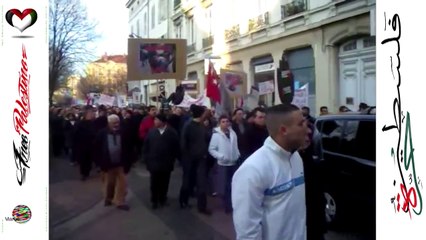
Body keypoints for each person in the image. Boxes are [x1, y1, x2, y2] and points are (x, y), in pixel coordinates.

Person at [232, 104, 310, 240]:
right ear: (284, 130)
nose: (307, 130)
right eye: (301, 124)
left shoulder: (296, 158)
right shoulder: (253, 169)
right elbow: (247, 231)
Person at [93, 114, 134, 211]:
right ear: (109, 123)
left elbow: (129, 147)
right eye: (114, 123)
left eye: (117, 122)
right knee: (109, 183)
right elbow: (96, 148)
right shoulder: (102, 133)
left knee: (122, 184)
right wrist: (99, 163)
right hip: (108, 164)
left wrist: (129, 161)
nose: (116, 124)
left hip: (121, 164)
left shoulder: (123, 132)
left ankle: (119, 201)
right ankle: (108, 198)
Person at [179, 104, 212, 215]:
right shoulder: (188, 125)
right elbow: (183, 143)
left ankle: (202, 207)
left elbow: (206, 138)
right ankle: (183, 201)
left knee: (201, 183)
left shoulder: (202, 125)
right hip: (190, 159)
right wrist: (187, 158)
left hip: (201, 158)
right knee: (188, 181)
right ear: (201, 114)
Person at [143, 114, 180, 209]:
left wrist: (173, 159)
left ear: (163, 122)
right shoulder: (151, 132)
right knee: (154, 182)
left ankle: (162, 198)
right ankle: (154, 200)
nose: (155, 122)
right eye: (154, 120)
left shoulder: (172, 132)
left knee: (164, 182)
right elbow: (146, 146)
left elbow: (176, 148)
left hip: (166, 163)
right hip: (153, 162)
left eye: (157, 120)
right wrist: (146, 159)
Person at [299, 122, 327, 240]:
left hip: (315, 220)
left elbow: (318, 193)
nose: (308, 138)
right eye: (304, 135)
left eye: (309, 135)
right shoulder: (289, 161)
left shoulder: (311, 159)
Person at [208, 115, 240, 214]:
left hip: (233, 162)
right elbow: (211, 149)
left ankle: (232, 203)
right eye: (223, 121)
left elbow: (235, 145)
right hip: (223, 163)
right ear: (219, 123)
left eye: (227, 121)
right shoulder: (216, 135)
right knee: (225, 185)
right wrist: (221, 156)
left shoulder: (232, 133)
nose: (225, 123)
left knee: (233, 184)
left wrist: (237, 153)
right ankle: (227, 205)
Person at [73, 106, 97, 181]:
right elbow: (75, 133)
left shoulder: (93, 123)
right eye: (89, 114)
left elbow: (95, 133)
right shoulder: (80, 123)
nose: (91, 115)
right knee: (83, 160)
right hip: (82, 145)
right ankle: (83, 174)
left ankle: (87, 171)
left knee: (89, 159)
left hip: (90, 145)